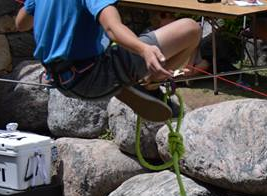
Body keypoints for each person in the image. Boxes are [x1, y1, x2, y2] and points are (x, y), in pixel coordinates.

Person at [14, 0, 200, 122]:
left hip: (58, 79)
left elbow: (21, 24)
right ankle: (150, 85)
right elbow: (112, 27)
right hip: (93, 76)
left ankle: (138, 79)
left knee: (103, 39)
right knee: (191, 29)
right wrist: (144, 50)